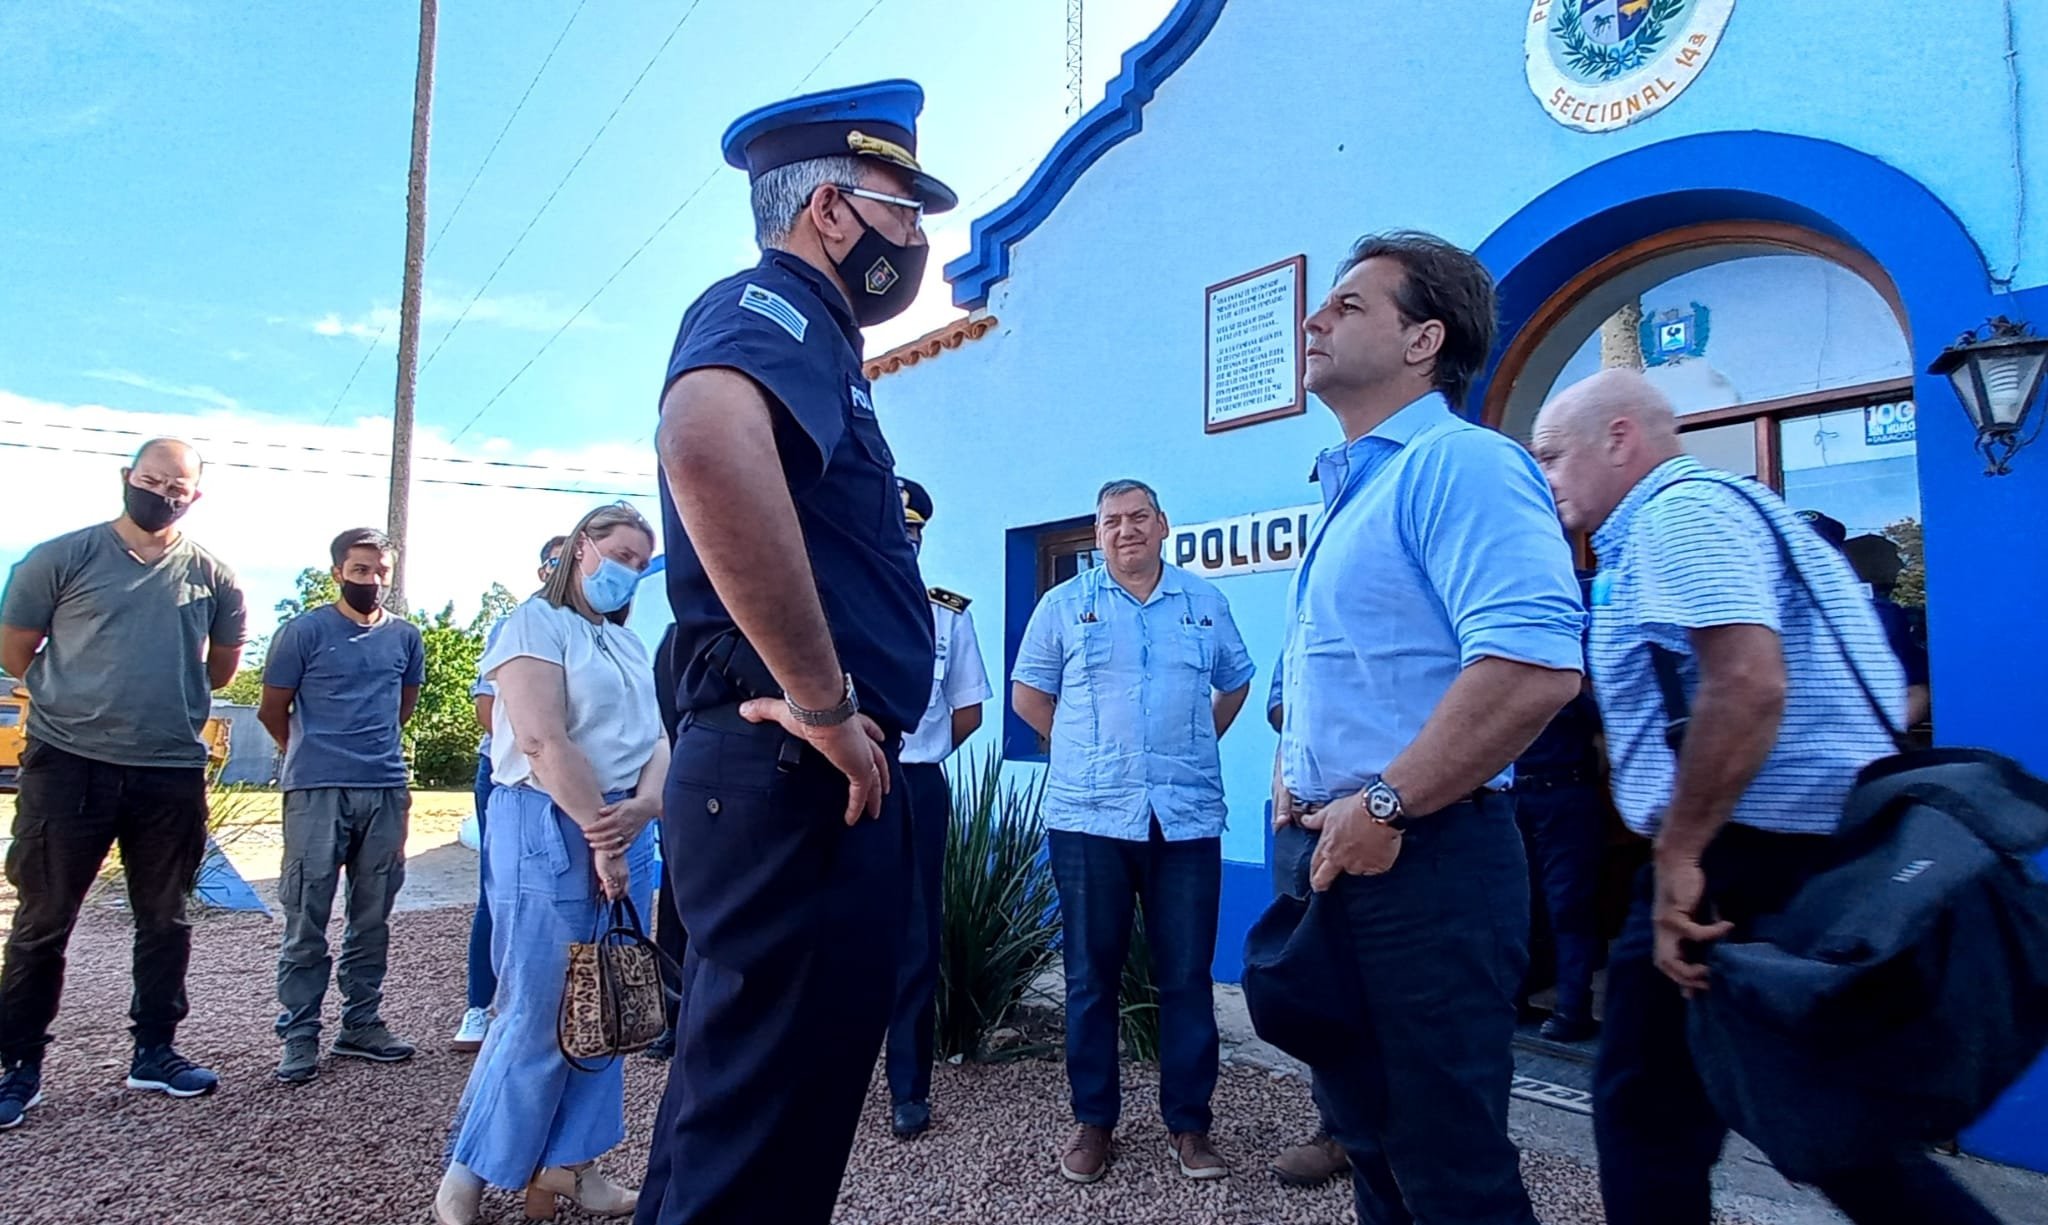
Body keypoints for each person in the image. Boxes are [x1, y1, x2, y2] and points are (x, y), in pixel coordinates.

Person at [1530, 367, 2000, 1225]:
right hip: (1798, 851)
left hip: (1737, 862)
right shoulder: (1754, 516)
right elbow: (1869, 697)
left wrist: (1678, 854)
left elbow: (1747, 683)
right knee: (1822, 1120)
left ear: (1620, 438)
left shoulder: (1680, 514)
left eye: (1553, 455)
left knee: (1651, 1117)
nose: (1546, 477)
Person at [638, 79, 952, 1225]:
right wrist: (822, 702)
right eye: (902, 208)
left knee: (728, 1117)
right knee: (760, 1147)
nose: (914, 239)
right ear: (830, 208)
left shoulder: (815, 338)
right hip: (797, 774)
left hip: (780, 776)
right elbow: (706, 440)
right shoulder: (773, 309)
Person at [1261, 231, 1584, 1224]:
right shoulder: (1355, 487)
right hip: (1334, 851)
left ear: (1421, 339)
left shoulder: (1463, 466)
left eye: (1349, 306)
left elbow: (1531, 666)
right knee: (1370, 1147)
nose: (1313, 317)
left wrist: (1386, 800)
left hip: (1422, 858)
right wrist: (1291, 773)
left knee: (1450, 1171)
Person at [1013, 478, 1256, 1184]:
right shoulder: (1065, 605)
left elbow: (1235, 680)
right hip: (1090, 818)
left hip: (1185, 819)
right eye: (1112, 521)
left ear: (1162, 525)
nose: (1126, 530)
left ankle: (1190, 1124)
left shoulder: (1204, 603)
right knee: (1091, 976)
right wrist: (1074, 747)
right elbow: (1029, 690)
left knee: (1186, 976)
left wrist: (1200, 737)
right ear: (1098, 534)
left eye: (1138, 517)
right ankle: (1094, 1121)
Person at [0, 439, 247, 1128]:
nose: (163, 493)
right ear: (126, 478)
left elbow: (221, 670)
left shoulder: (215, 578)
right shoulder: (61, 558)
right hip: (68, 762)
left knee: (165, 918)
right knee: (43, 921)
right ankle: (17, 1064)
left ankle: (155, 1051)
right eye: (152, 479)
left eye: (178, 485)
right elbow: (15, 646)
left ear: (194, 496)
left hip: (167, 769)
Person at [434, 503, 665, 1225]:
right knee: (536, 1008)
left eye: (638, 560)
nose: (626, 570)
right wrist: (605, 836)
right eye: (617, 552)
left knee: (608, 1004)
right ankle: (470, 1171)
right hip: (551, 819)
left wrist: (646, 808)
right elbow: (540, 739)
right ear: (580, 550)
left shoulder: (626, 644)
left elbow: (659, 739)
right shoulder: (532, 624)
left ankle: (572, 1164)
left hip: (626, 820)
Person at [258, 528, 425, 1083]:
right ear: (337, 573)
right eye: (360, 571)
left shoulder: (406, 637)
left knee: (372, 913)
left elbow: (402, 706)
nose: (372, 581)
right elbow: (272, 710)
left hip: (383, 785)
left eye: (381, 571)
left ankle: (361, 1022)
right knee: (307, 913)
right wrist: (313, 754)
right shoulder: (302, 632)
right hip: (315, 788)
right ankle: (300, 1032)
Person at [884, 476, 992, 1139]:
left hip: (917, 786)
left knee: (916, 941)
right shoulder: (831, 603)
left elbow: (969, 709)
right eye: (895, 528)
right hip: (837, 788)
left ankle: (907, 1088)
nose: (905, 541)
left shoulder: (946, 614)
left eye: (913, 532)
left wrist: (918, 755)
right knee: (826, 934)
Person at [453, 535, 566, 1055]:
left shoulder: (607, 632)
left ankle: (574, 1007)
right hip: (511, 778)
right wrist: (544, 745)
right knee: (501, 891)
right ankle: (481, 1007)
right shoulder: (517, 624)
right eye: (558, 561)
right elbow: (488, 708)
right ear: (543, 570)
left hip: (576, 775)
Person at [1262, 659, 1353, 1192]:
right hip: (1303, 822)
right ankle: (1338, 1130)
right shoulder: (1311, 596)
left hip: (1387, 818)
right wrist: (1285, 767)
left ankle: (1413, 1142)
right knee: (1319, 988)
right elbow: (1284, 705)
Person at [1509, 569, 1610, 1044]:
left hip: (1527, 792)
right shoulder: (1567, 663)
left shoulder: (1505, 653)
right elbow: (1599, 719)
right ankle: (1567, 1009)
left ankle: (1536, 1003)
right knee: (1563, 905)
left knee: (1535, 904)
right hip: (1559, 793)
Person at [1799, 514, 1932, 728]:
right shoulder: (1751, 612)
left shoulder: (1875, 616)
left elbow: (1916, 689)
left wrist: (1871, 740)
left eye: (1810, 549)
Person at [642, 621, 686, 1063]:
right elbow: (663, 724)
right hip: (688, 798)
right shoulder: (678, 636)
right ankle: (673, 1020)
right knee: (676, 915)